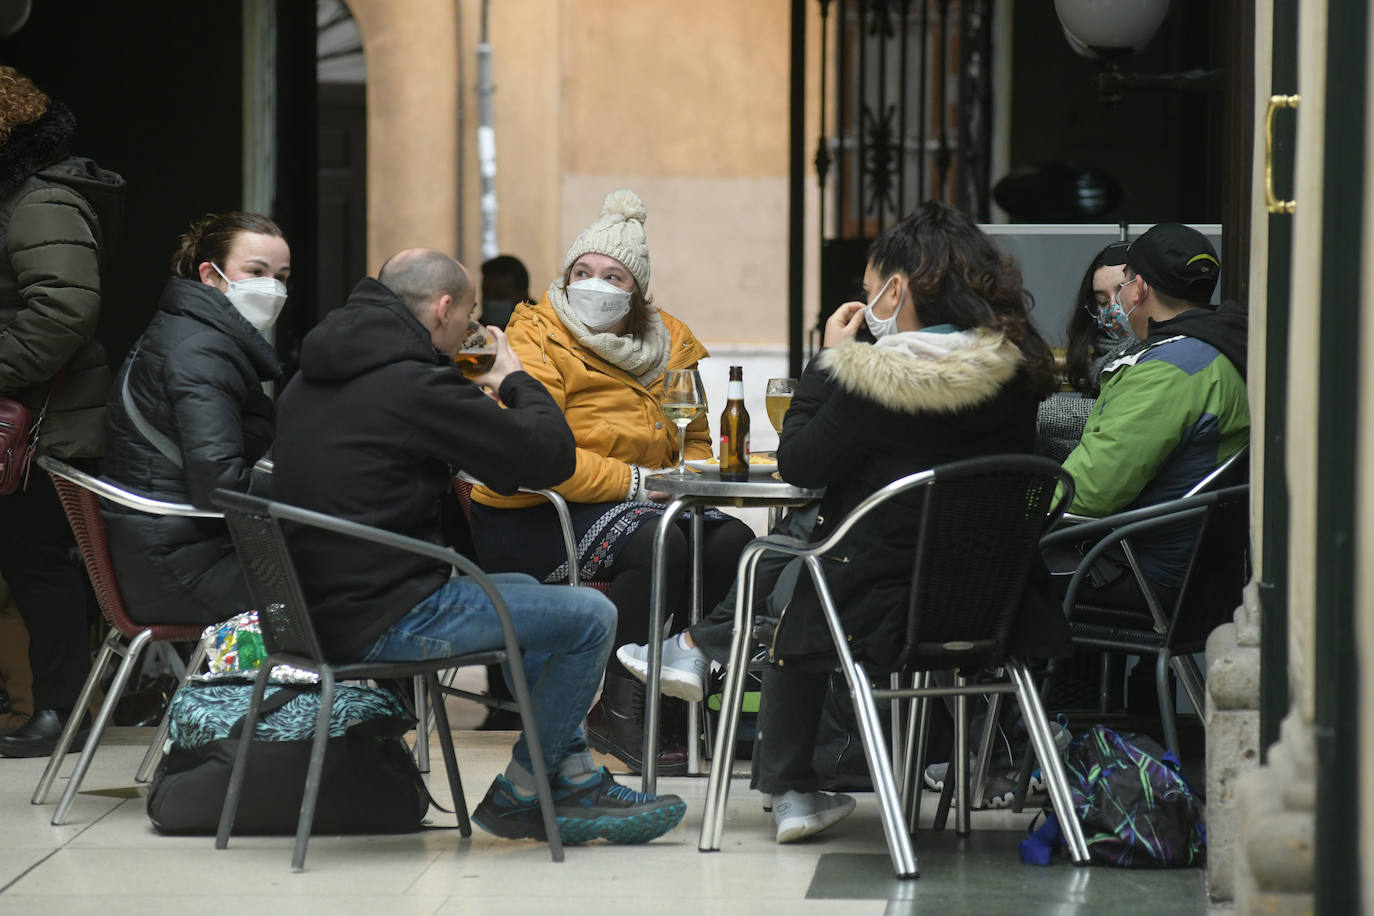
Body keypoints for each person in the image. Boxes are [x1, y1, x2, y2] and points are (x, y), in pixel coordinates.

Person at [624, 201, 1068, 841]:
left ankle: (780, 773)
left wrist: (831, 360)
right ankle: (743, 720)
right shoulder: (1018, 372)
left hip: (876, 604)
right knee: (797, 554)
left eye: (869, 293)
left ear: (898, 287)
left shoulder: (878, 377)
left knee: (782, 572)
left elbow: (802, 463)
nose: (866, 308)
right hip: (996, 601)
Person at [272, 247, 685, 845]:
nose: (471, 328)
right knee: (591, 615)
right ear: (442, 310)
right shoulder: (416, 383)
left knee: (527, 595)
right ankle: (522, 790)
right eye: (468, 314)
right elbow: (548, 457)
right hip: (385, 616)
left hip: (310, 611)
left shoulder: (311, 376)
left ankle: (568, 776)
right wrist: (512, 375)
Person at [469, 190, 754, 774]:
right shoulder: (536, 339)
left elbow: (695, 439)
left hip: (641, 501)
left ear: (637, 293)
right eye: (582, 272)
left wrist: (681, 479)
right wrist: (635, 482)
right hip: (534, 512)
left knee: (734, 544)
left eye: (612, 276)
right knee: (662, 544)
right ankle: (623, 707)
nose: (594, 285)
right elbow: (538, 453)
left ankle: (677, 696)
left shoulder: (669, 341)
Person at [0, 68, 124, 758]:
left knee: (38, 561)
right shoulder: (20, 198)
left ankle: (58, 712)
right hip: (33, 419)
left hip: (45, 426)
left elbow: (64, 310)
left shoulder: (40, 201)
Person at [101, 212, 289, 627]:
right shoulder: (201, 350)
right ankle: (368, 692)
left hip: (165, 551)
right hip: (183, 570)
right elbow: (220, 482)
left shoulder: (186, 331)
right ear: (210, 274)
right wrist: (312, 488)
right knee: (358, 573)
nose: (272, 288)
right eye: (256, 271)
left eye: (281, 276)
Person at [1058, 224, 1249, 611]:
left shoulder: (1172, 369)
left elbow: (1087, 494)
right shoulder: (1221, 347)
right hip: (1199, 571)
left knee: (994, 569)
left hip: (1145, 574)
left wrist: (1017, 509)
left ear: (1139, 288)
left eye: (1124, 282)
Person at [1035, 244, 1138, 461]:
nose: (1113, 307)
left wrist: (1031, 412)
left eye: (1121, 292)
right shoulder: (1100, 359)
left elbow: (1118, 416)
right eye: (1102, 301)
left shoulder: (1158, 351)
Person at [479, 253, 530, 329]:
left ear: (523, 297)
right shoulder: (472, 335)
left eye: (499, 296)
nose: (491, 303)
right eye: (486, 294)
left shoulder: (542, 335)